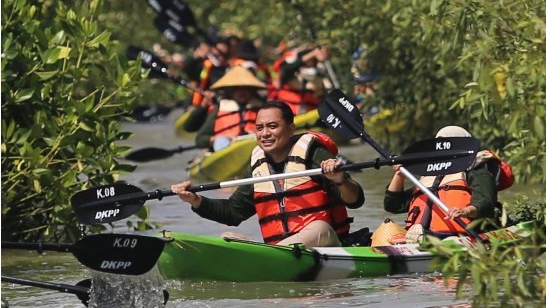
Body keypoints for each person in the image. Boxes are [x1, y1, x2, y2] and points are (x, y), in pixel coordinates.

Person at [172, 100, 366, 247]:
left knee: (319, 227)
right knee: (226, 238)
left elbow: (355, 200)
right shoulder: (258, 164)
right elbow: (232, 213)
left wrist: (340, 180)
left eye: (272, 126)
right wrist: (195, 200)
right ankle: (273, 256)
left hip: (326, 245)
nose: (265, 133)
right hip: (282, 250)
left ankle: (275, 255)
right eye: (259, 128)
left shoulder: (313, 154)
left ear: (290, 129)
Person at [383, 125, 514, 243]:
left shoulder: (476, 171)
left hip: (463, 236)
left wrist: (465, 211)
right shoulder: (429, 175)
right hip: (423, 236)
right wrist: (399, 174)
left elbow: (485, 203)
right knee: (385, 230)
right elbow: (393, 205)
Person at [194, 66, 266, 151]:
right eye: (236, 88)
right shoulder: (220, 109)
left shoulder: (262, 108)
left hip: (254, 145)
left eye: (245, 88)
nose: (241, 92)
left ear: (251, 90)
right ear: (229, 91)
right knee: (221, 142)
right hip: (227, 147)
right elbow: (200, 139)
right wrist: (215, 139)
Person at [271, 45, 331, 114]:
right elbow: (286, 70)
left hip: (315, 113)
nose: (311, 61)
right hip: (294, 115)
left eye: (313, 59)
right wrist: (312, 54)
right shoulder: (290, 74)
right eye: (310, 59)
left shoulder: (318, 76)